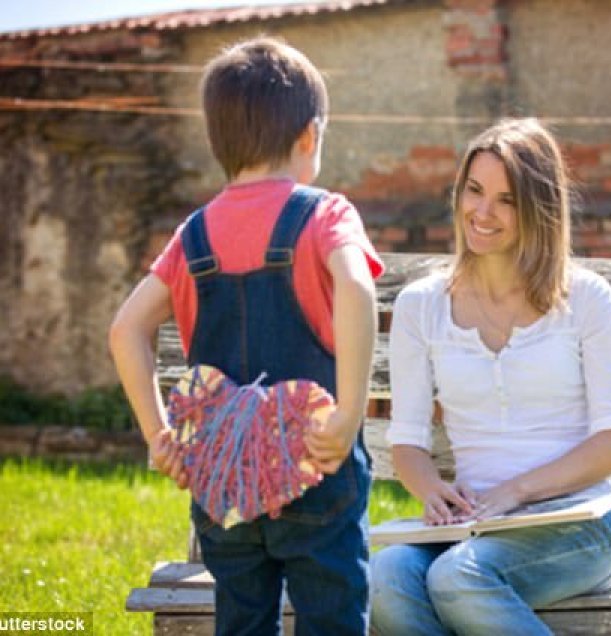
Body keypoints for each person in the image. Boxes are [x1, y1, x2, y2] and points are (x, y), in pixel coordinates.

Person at [109, 37, 383, 636]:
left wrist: (160, 436)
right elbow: (359, 291)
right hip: (316, 463)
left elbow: (126, 328)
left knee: (240, 619)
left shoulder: (193, 235)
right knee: (331, 616)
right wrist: (351, 412)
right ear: (309, 136)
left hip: (221, 476)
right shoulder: (325, 214)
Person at [370, 118, 611, 636]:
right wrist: (431, 491)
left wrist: (517, 491)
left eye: (506, 199)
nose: (482, 212)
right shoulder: (421, 306)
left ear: (538, 210)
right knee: (386, 576)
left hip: (582, 522)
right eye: (474, 191)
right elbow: (407, 442)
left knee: (458, 578)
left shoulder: (586, 298)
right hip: (473, 525)